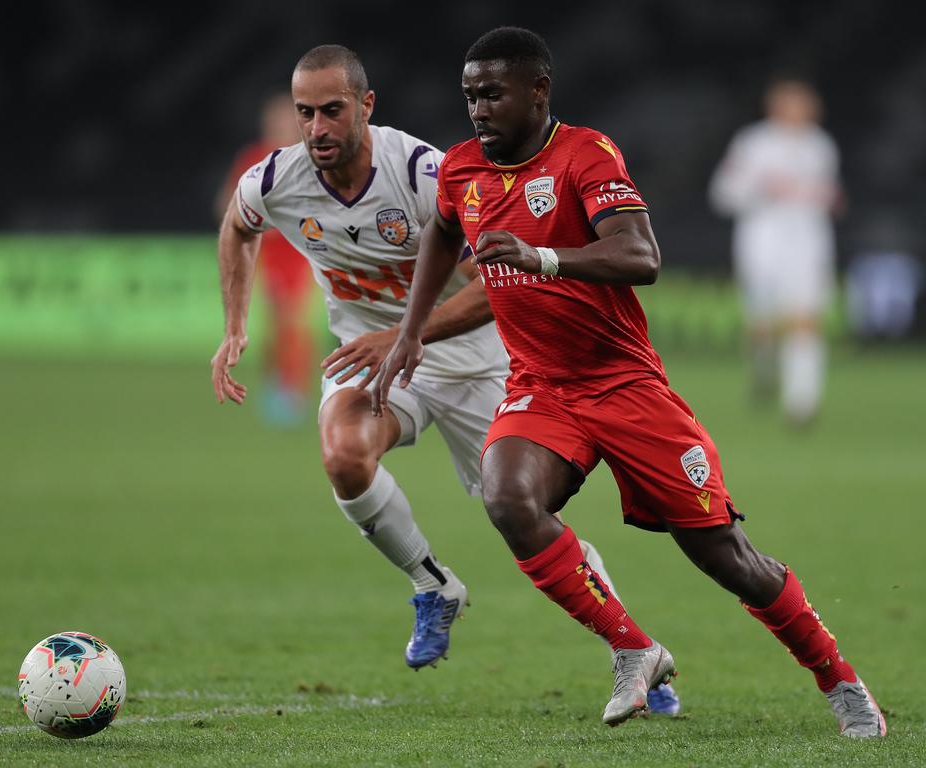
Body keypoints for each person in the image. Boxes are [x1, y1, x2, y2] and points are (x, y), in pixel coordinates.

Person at [375, 27, 884, 737]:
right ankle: (633, 647)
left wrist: (540, 258)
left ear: (538, 90)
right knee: (509, 498)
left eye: (492, 94)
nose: (479, 110)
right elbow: (440, 231)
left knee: (726, 559)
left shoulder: (586, 153)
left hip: (625, 386)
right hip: (543, 388)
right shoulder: (462, 168)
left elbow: (642, 256)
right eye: (470, 96)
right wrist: (409, 331)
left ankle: (839, 679)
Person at [210, 43, 679, 713]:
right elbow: (237, 226)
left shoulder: (425, 173)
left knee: (528, 517)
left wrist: (405, 334)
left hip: (479, 361)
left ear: (366, 107)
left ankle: (633, 652)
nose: (316, 128)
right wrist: (235, 326)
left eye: (332, 111)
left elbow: (499, 286)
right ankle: (433, 586)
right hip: (375, 361)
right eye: (305, 113)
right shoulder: (276, 179)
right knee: (344, 454)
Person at [708, 77, 843, 427]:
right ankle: (764, 371)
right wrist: (761, 189)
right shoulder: (754, 143)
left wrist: (830, 200)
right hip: (762, 242)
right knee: (762, 324)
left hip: (809, 243)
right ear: (776, 107)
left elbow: (828, 195)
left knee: (805, 320)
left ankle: (802, 403)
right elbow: (723, 193)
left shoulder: (821, 146)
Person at [215, 92, 315, 427]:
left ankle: (292, 392)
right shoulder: (254, 157)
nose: (282, 125)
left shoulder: (309, 158)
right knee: (274, 326)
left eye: (288, 119)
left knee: (292, 321)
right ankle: (278, 386)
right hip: (264, 255)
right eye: (276, 119)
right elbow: (226, 205)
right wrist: (249, 224)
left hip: (302, 253)